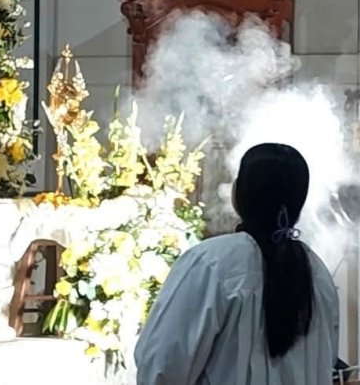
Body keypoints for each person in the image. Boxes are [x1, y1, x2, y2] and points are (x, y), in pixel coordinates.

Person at [135, 143, 340, 384]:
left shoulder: (210, 263)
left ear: (242, 193)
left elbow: (162, 365)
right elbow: (327, 363)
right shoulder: (317, 272)